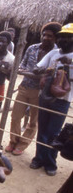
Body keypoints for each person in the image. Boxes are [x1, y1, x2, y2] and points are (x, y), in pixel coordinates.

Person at [6, 22, 62, 155]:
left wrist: (40, 74)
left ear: (55, 38)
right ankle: (13, 141)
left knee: (33, 121)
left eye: (50, 36)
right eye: (44, 34)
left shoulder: (56, 53)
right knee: (15, 116)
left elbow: (55, 74)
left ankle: (22, 144)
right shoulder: (32, 48)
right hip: (25, 86)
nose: (46, 37)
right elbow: (22, 64)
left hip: (41, 92)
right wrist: (22, 69)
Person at [31, 23, 73, 176]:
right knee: (42, 129)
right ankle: (38, 158)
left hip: (62, 100)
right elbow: (38, 67)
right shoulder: (53, 53)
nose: (64, 40)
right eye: (62, 37)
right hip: (45, 96)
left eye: (68, 37)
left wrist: (69, 66)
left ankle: (50, 162)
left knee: (53, 132)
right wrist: (41, 69)